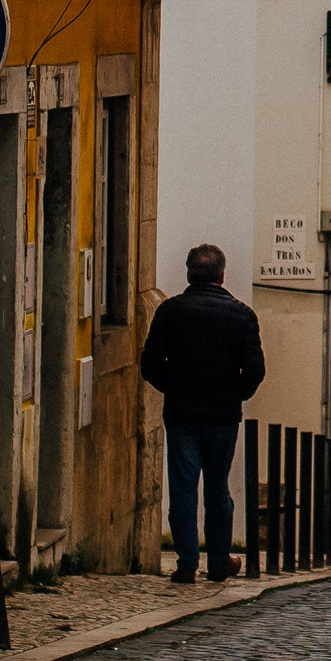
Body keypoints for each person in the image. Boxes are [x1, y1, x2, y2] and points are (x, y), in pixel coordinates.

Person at [141, 244, 266, 585]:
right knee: (217, 487)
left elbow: (150, 364)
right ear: (221, 275)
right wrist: (234, 393)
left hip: (181, 411)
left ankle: (186, 563)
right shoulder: (242, 315)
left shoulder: (170, 312)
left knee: (183, 486)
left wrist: (173, 387)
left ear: (188, 273)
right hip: (223, 414)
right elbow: (255, 371)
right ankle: (219, 561)